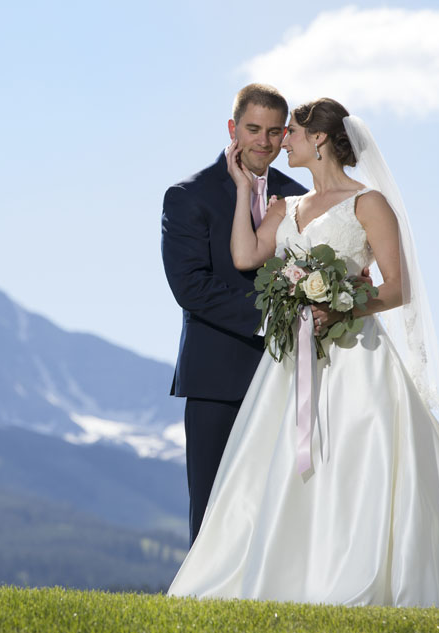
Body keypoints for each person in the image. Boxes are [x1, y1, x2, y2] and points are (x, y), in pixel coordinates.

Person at [167, 98, 439, 608]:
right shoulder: (285, 206)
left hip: (355, 355)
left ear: (319, 139)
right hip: (292, 361)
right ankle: (294, 576)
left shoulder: (369, 203)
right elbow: (244, 256)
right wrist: (244, 189)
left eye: (290, 133)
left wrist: (341, 307)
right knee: (286, 468)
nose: (281, 142)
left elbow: (397, 287)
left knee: (360, 458)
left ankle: (361, 571)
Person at [161, 84, 308, 547]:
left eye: (274, 131)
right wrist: (273, 318)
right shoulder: (189, 195)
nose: (263, 141)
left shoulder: (301, 198)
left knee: (284, 506)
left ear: (285, 135)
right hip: (216, 377)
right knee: (213, 507)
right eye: (253, 129)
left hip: (288, 375)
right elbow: (191, 288)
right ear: (232, 129)